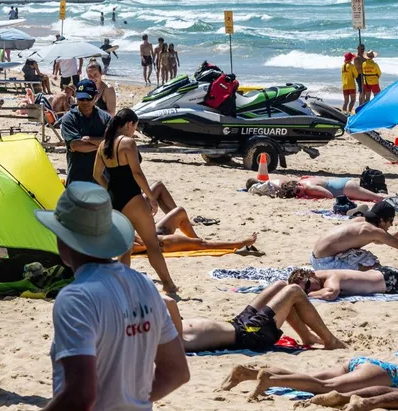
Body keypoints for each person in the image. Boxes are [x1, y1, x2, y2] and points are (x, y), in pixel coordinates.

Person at [37, 181, 189, 410]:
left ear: (63, 240)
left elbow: (80, 394)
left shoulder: (76, 298)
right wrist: (134, 402)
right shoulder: (143, 284)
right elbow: (176, 371)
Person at [227, 311, 398, 400]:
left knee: (308, 377)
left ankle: (247, 373)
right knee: (323, 387)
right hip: (383, 374)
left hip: (365, 364)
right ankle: (270, 381)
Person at [93, 108, 178, 295]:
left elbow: (97, 175)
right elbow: (137, 173)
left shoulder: (103, 145)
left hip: (115, 200)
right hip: (132, 197)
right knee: (152, 244)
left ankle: (122, 286)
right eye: (135, 127)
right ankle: (169, 285)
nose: (134, 131)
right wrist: (151, 198)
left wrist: (110, 190)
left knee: (125, 247)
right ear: (129, 124)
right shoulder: (128, 143)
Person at [169, 281, 345, 354]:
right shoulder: (169, 340)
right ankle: (330, 341)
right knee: (294, 291)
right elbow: (171, 303)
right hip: (249, 335)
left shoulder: (159, 330)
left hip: (237, 323)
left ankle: (307, 337)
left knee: (280, 285)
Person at [311, 201, 398, 270]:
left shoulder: (361, 221)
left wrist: (394, 236)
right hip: (324, 263)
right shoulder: (375, 231)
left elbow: (376, 240)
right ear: (382, 220)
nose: (391, 224)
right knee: (374, 267)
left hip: (315, 258)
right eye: (391, 221)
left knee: (363, 256)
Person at [59, 79, 111, 184]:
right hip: (77, 180)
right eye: (81, 98)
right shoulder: (69, 119)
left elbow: (110, 142)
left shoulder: (105, 118)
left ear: (96, 97)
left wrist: (90, 140)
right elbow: (76, 146)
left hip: (103, 181)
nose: (85, 101)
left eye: (88, 97)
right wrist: (102, 147)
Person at [245, 175, 397, 204]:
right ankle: (397, 197)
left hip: (346, 188)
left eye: (298, 192)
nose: (300, 194)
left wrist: (310, 195)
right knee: (375, 196)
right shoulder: (303, 181)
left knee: (376, 198)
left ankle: (397, 198)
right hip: (343, 184)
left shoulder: (308, 187)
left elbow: (329, 195)